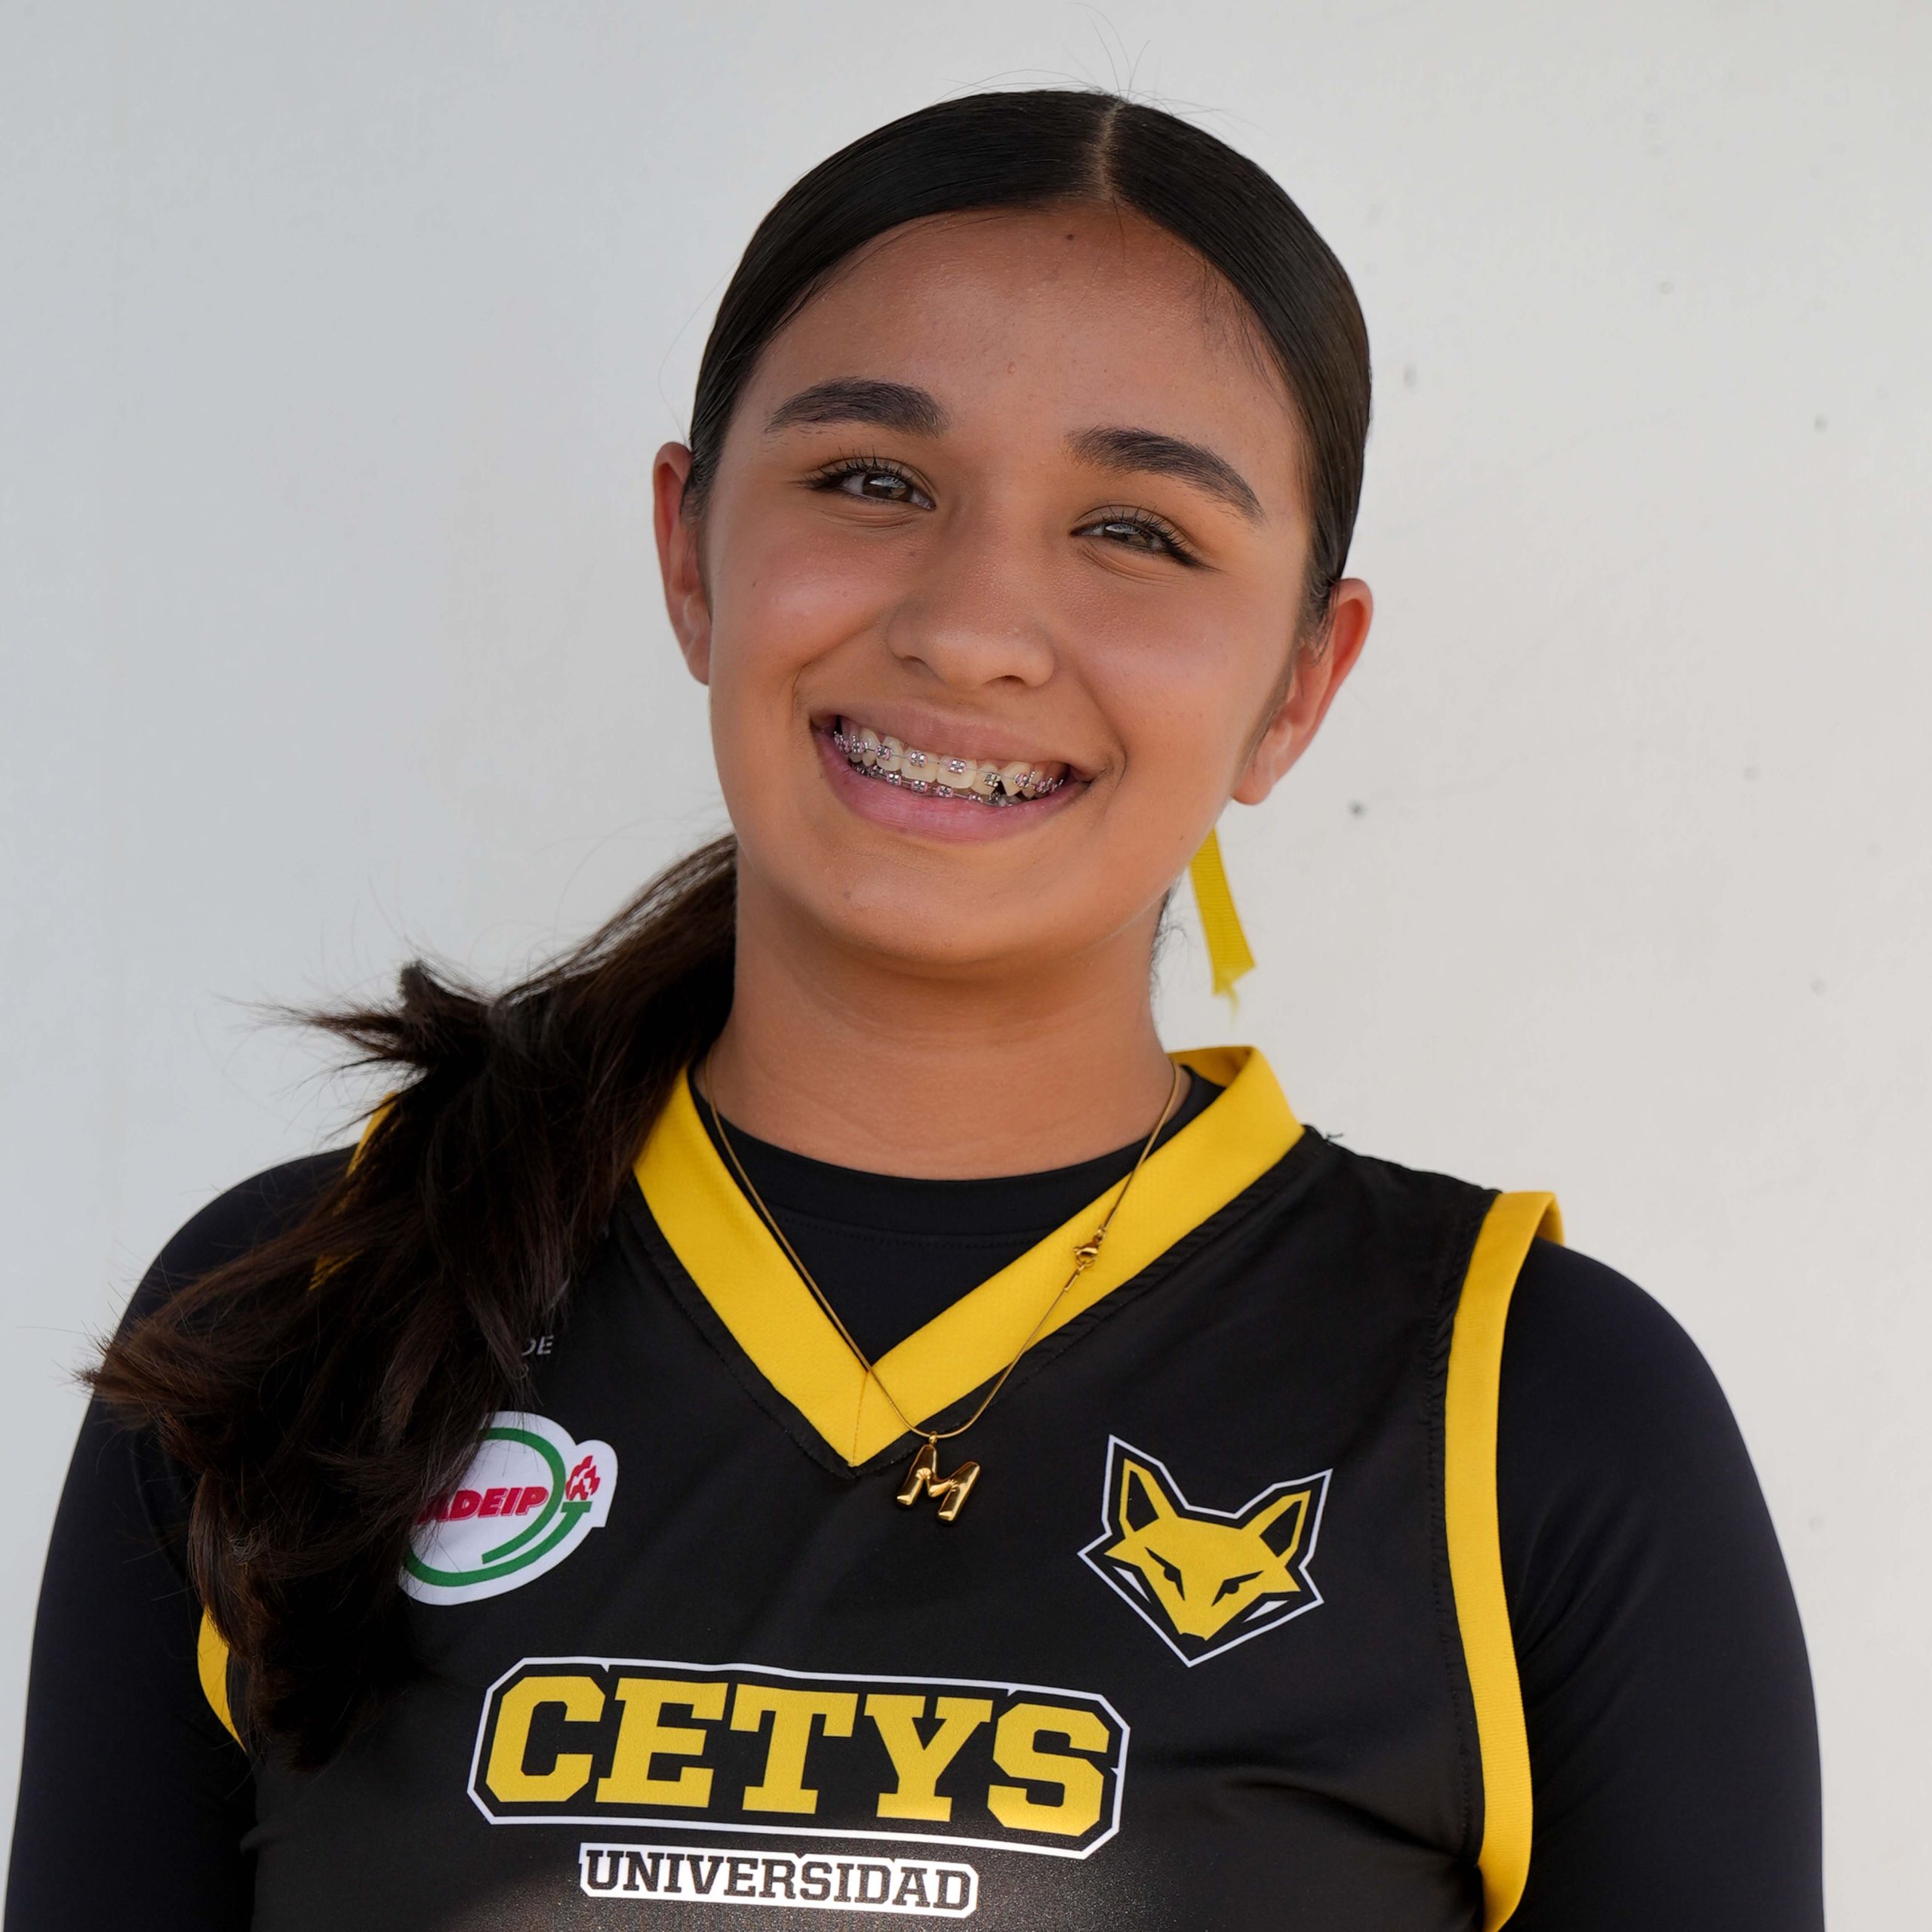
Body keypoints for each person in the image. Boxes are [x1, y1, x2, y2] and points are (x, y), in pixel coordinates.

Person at [5, 90, 1821, 1930]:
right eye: (873, 481)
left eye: (1136, 527)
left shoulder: (1531, 1414)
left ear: (1298, 681)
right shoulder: (299, 1312)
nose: (971, 626)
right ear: (690, 550)